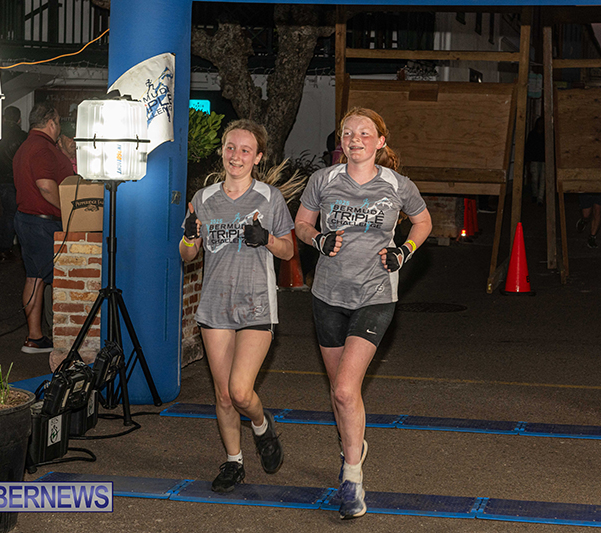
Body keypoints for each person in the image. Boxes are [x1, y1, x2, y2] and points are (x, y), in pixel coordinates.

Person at [295, 107, 433, 520]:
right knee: (341, 391)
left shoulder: (397, 185)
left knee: (343, 389)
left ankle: (353, 476)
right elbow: (301, 224)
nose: (355, 139)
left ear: (380, 141)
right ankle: (351, 448)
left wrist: (403, 252)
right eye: (348, 133)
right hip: (327, 295)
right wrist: (318, 240)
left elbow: (423, 222)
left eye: (364, 133)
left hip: (375, 294)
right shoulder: (323, 180)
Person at [179, 119, 294, 492]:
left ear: (257, 157)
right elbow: (188, 255)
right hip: (215, 307)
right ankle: (233, 461)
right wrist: (188, 237)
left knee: (242, 391)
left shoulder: (269, 198)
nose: (236, 155)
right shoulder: (203, 198)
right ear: (222, 151)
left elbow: (288, 250)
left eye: (245, 150)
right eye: (231, 147)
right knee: (224, 394)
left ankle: (261, 425)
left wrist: (267, 239)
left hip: (255, 304)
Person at [13, 102, 73, 354]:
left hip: (30, 219)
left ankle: (35, 336)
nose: (59, 128)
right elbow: (46, 186)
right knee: (45, 279)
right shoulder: (41, 148)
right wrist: (70, 212)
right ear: (51, 123)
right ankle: (38, 337)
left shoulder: (28, 145)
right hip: (41, 221)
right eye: (58, 123)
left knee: (35, 278)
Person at [0, 106, 27, 262]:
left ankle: (3, 248)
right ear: (19, 120)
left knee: (7, 214)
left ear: (4, 118)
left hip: (2, 179)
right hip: (18, 180)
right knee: (17, 214)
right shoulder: (23, 137)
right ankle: (7, 248)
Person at [525, 116, 545, 205]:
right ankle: (535, 194)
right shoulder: (532, 134)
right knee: (535, 178)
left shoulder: (546, 134)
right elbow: (528, 147)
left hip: (543, 159)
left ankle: (540, 197)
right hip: (535, 159)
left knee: (543, 179)